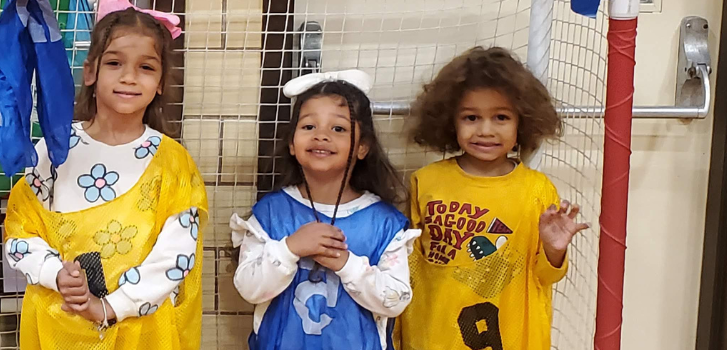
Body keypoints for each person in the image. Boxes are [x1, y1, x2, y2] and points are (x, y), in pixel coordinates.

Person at [0, 1, 207, 349]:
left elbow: (175, 256)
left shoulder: (174, 163)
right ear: (90, 72)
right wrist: (58, 275)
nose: (129, 77)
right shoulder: (54, 149)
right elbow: (21, 231)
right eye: (115, 63)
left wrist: (112, 306)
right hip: (62, 329)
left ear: (160, 82)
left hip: (142, 333)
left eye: (145, 67)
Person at [395, 46, 589, 350]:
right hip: (435, 334)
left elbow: (546, 275)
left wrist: (554, 249)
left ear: (521, 122)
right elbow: (407, 266)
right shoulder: (427, 181)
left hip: (511, 337)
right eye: (471, 117)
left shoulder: (537, 189)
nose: (485, 130)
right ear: (451, 121)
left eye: (500, 117)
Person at [230, 70, 420, 350]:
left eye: (338, 129)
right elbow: (249, 288)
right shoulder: (271, 213)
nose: (321, 136)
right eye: (309, 127)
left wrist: (347, 265)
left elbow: (395, 299)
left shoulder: (384, 223)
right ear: (292, 143)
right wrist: (290, 249)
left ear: (363, 147)